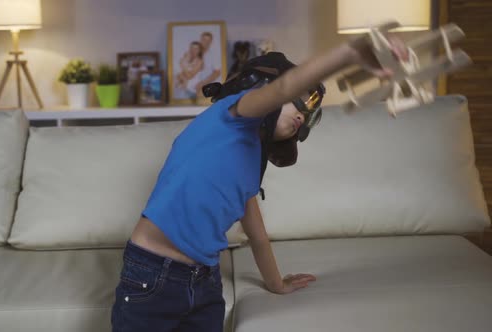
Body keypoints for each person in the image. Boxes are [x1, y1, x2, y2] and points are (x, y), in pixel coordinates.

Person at [111, 36, 408, 332]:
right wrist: (350, 53)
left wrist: (276, 283)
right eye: (298, 104)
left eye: (306, 116)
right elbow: (281, 88)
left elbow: (258, 236)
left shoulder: (251, 164)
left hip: (204, 282)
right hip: (152, 274)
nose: (301, 117)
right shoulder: (233, 114)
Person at [194, 31, 222, 97]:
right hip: (193, 88)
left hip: (206, 89)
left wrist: (202, 83)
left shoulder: (213, 56)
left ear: (211, 41)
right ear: (200, 40)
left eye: (208, 40)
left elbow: (217, 73)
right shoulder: (195, 53)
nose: (206, 43)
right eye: (204, 40)